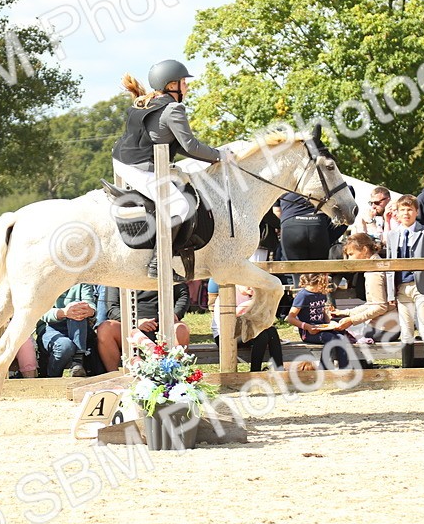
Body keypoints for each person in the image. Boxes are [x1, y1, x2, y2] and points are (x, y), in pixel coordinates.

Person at [111, 59, 230, 280]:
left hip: (126, 160)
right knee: (180, 205)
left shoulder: (150, 102)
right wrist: (220, 155)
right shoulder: (173, 109)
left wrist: (212, 156)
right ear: (171, 85)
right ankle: (158, 264)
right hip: (138, 166)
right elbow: (191, 146)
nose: (187, 86)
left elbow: (182, 147)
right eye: (183, 82)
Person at [386, 196, 424, 364]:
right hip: (402, 288)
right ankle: (407, 368)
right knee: (406, 330)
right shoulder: (392, 235)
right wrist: (390, 293)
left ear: (416, 212)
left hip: (421, 287)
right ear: (397, 213)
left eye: (410, 209)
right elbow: (389, 267)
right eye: (402, 210)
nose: (406, 213)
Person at [287, 273, 356, 368]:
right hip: (309, 333)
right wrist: (307, 327)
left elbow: (322, 310)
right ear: (318, 283)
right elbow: (290, 318)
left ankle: (344, 369)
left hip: (322, 328)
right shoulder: (303, 296)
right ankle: (323, 369)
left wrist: (329, 322)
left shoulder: (321, 293)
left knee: (342, 338)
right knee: (332, 339)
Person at [211, 285, 284, 372]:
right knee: (261, 335)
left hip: (244, 331)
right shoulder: (228, 295)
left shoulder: (253, 296)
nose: (252, 288)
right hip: (224, 335)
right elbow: (228, 321)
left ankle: (279, 369)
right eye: (248, 285)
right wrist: (247, 305)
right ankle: (255, 371)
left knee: (271, 331)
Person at [40, 284, 97, 378]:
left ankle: (77, 361)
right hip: (51, 327)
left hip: (79, 327)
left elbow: (89, 302)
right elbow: (42, 313)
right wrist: (64, 312)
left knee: (78, 310)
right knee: (65, 345)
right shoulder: (46, 282)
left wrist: (90, 310)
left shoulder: (82, 281)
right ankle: (52, 377)